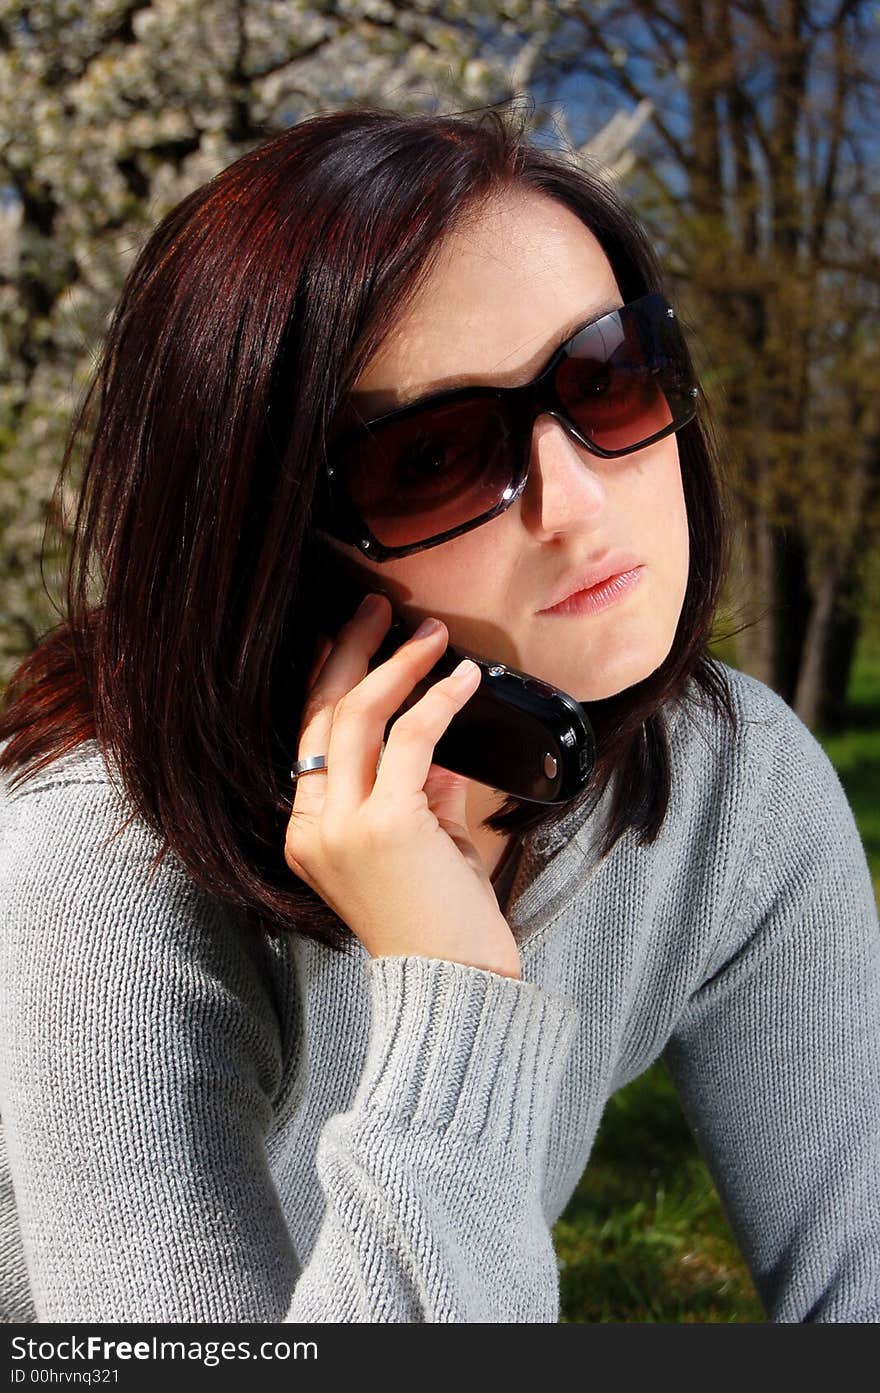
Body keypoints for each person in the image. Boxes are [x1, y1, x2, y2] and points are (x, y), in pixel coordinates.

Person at [0, 104, 877, 1325]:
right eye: (434, 458)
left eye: (610, 378)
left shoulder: (737, 783)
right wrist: (448, 985)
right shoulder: (95, 864)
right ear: (279, 547)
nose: (578, 501)